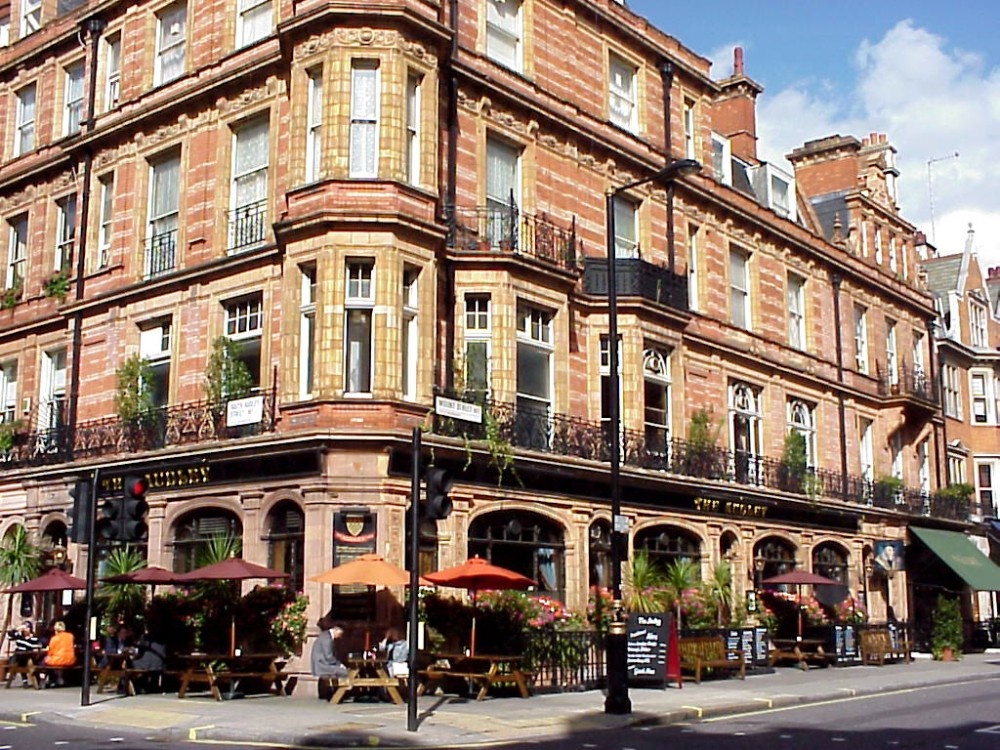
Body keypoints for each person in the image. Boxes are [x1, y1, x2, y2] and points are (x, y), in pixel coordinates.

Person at [310, 616, 348, 700]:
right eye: (340, 634)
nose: (339, 637)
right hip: (322, 665)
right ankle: (338, 695)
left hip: (321, 663)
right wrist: (339, 664)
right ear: (336, 630)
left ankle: (334, 693)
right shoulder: (327, 639)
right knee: (345, 672)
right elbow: (329, 657)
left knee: (341, 672)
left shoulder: (325, 635)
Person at [130, 628, 168, 694]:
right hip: (160, 665)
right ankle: (151, 687)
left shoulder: (145, 638)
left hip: (147, 664)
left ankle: (139, 687)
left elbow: (140, 652)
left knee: (133, 664)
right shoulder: (164, 638)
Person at [40, 621, 76, 687]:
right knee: (52, 663)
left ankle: (42, 679)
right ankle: (59, 678)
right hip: (70, 659)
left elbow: (50, 652)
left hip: (59, 659)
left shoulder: (54, 638)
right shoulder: (71, 636)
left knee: (43, 662)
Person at [8, 621, 42, 686]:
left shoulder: (34, 637)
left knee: (20, 659)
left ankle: (24, 679)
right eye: (24, 628)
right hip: (19, 655)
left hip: (28, 655)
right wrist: (18, 629)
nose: (25, 630)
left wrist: (26, 643)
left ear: (30, 629)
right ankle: (23, 679)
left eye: (27, 628)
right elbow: (10, 634)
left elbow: (33, 646)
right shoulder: (19, 636)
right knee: (17, 656)